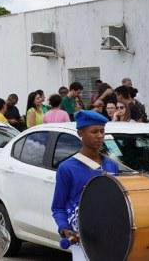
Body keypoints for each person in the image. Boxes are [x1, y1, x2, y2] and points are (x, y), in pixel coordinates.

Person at [51, 111, 119, 261]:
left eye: (102, 131)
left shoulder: (112, 165)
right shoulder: (67, 168)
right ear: (80, 133)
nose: (100, 136)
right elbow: (58, 207)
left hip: (110, 237)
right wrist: (64, 228)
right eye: (94, 132)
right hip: (83, 238)